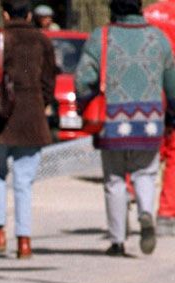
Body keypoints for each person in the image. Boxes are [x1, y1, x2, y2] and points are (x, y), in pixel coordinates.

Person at [75, 0, 175, 256]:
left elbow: (83, 79)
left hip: (112, 121)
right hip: (151, 121)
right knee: (146, 174)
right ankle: (145, 211)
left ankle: (118, 241)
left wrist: (85, 103)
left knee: (115, 179)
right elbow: (172, 82)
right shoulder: (158, 38)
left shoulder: (102, 37)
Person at [0, 0, 58, 259]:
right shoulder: (42, 41)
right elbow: (48, 81)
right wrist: (39, 103)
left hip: (0, 118)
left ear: (5, 13)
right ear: (30, 14)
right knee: (24, 181)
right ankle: (24, 240)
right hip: (31, 117)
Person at [145, 0, 175, 234]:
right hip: (172, 90)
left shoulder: (149, 12)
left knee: (142, 148)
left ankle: (129, 196)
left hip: (145, 92)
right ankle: (166, 214)